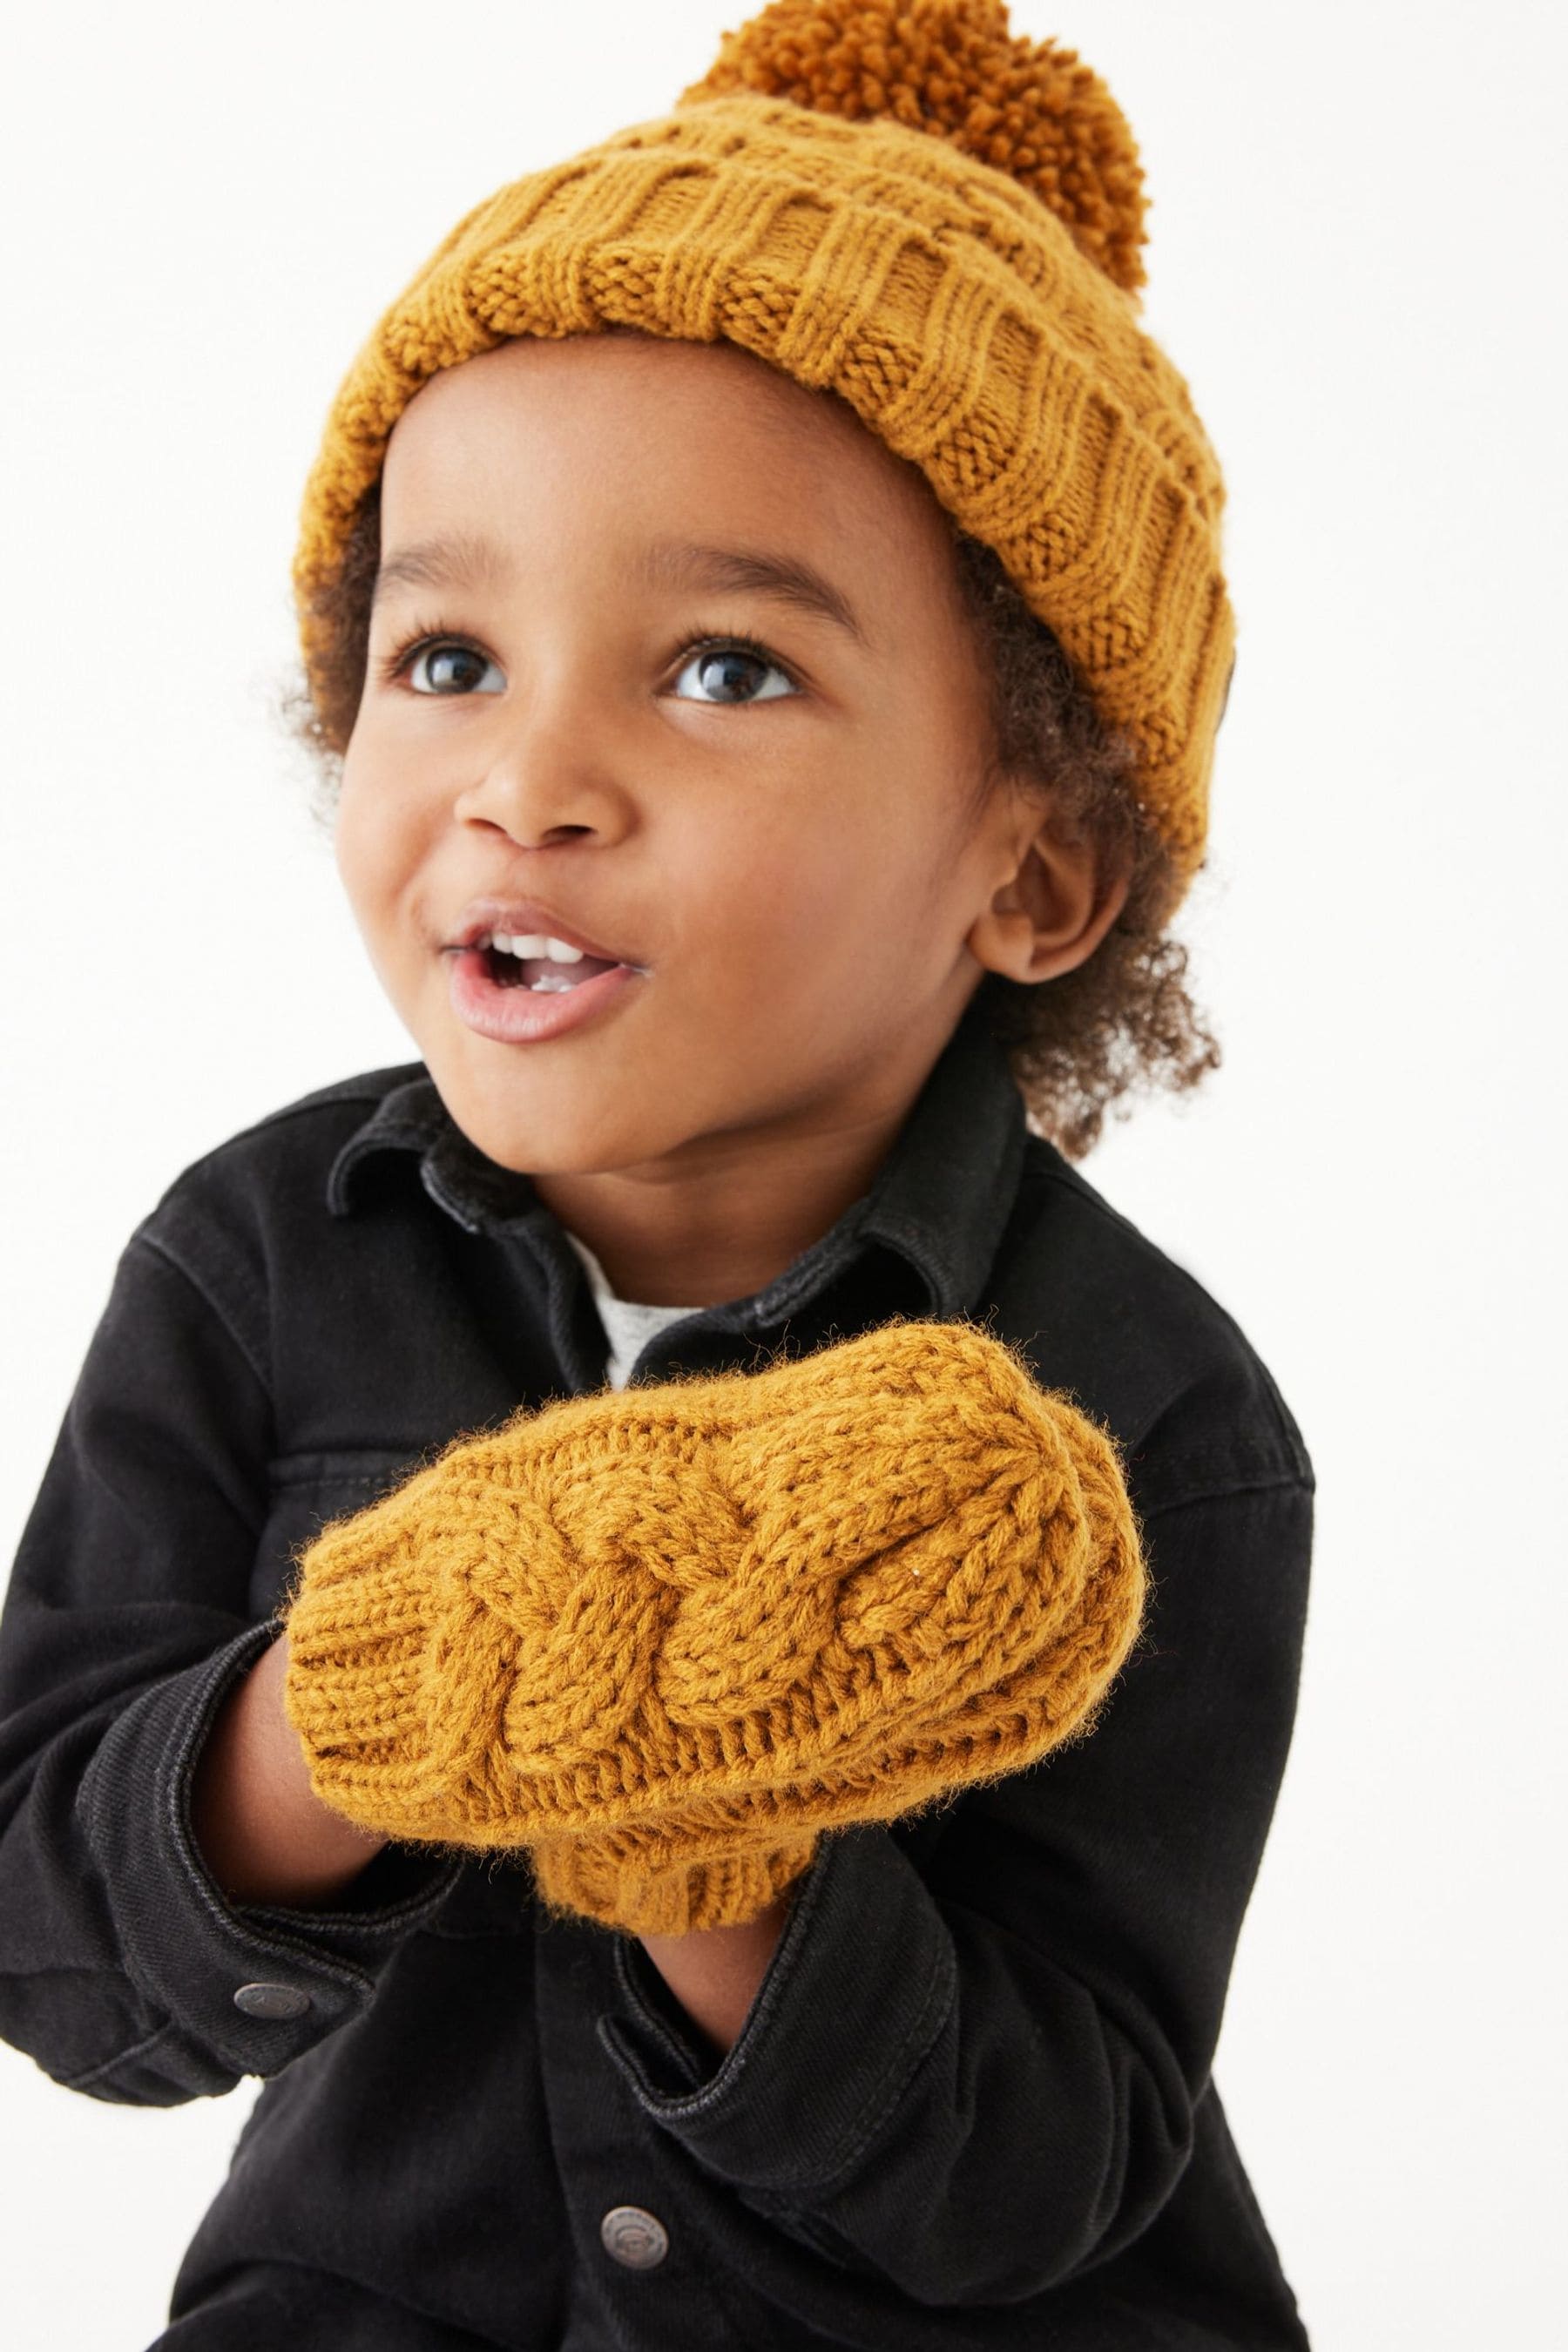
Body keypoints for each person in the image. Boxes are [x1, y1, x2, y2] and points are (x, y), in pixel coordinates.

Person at [0, 3, 1316, 2345]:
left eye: (719, 668)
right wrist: (346, 1720)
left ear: (1033, 870)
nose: (532, 778)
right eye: (448, 652)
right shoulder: (244, 1270)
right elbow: (57, 1960)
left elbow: (1052, 2168)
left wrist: (716, 1851)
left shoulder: (1155, 1417)